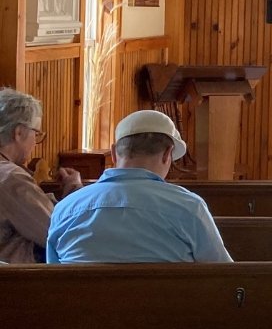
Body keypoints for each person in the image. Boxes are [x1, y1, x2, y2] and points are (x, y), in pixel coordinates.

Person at [47, 110, 232, 264]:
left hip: (81, 308)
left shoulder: (65, 209)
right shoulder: (190, 207)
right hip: (169, 308)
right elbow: (223, 275)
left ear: (113, 153)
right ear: (167, 154)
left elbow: (53, 276)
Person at [0, 88, 82, 263]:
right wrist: (75, 192)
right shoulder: (10, 178)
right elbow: (59, 234)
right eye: (36, 133)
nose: (35, 143)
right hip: (14, 284)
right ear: (19, 133)